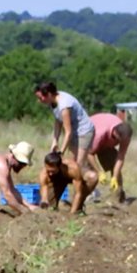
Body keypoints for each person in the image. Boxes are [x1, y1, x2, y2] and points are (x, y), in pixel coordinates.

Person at [34, 81, 95, 214]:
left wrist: (61, 152)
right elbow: (57, 122)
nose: (39, 101)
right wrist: (54, 141)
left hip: (83, 132)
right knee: (65, 169)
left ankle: (78, 204)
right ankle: (58, 198)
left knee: (77, 167)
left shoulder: (64, 105)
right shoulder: (52, 102)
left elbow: (68, 131)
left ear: (49, 94)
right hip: (73, 132)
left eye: (40, 98)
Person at [87, 112, 134, 204]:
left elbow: (120, 157)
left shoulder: (125, 135)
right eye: (120, 140)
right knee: (84, 167)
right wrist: (99, 172)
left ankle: (117, 196)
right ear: (115, 133)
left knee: (113, 161)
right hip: (87, 137)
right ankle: (89, 193)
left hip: (105, 144)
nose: (123, 142)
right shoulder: (99, 134)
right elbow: (89, 154)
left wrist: (115, 177)